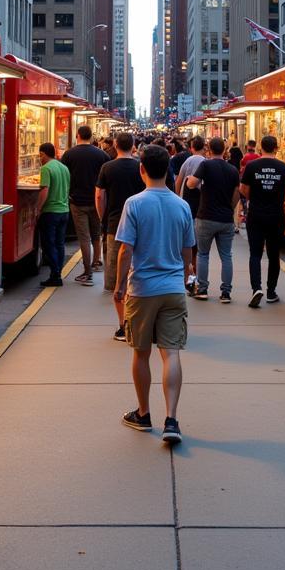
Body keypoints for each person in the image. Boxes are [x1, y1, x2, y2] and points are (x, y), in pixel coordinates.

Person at [113, 144, 197, 444]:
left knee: (141, 352)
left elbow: (126, 250)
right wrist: (184, 274)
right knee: (171, 353)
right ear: (169, 170)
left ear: (142, 169)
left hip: (143, 289)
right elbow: (188, 250)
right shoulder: (182, 206)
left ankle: (144, 413)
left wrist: (120, 285)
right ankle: (172, 419)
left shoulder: (134, 204)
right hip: (173, 288)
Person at [96, 132, 145, 340]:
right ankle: (140, 320)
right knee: (139, 271)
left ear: (115, 145)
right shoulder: (140, 168)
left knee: (118, 275)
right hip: (140, 225)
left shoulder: (107, 167)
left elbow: (99, 195)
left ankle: (123, 324)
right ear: (133, 146)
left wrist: (103, 217)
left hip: (115, 224)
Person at [186, 137, 241, 303]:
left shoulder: (205, 165)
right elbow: (237, 193)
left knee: (203, 255)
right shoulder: (232, 169)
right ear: (224, 150)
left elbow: (191, 184)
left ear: (209, 150)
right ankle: (226, 293)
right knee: (226, 256)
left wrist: (191, 180)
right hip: (225, 218)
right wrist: (229, 208)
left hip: (206, 217)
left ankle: (202, 289)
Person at [240, 134, 285, 307]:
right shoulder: (284, 167)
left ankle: (256, 289)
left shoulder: (252, 165)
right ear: (276, 148)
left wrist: (254, 198)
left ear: (261, 148)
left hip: (256, 214)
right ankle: (271, 291)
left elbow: (243, 189)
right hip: (276, 215)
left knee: (255, 253)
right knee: (274, 254)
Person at [61, 125, 110, 285]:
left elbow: (64, 176)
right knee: (96, 234)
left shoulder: (69, 154)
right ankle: (96, 262)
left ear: (78, 136)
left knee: (84, 237)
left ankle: (87, 272)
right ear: (91, 137)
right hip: (96, 200)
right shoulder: (102, 154)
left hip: (77, 201)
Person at [36, 142, 71, 288]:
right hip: (64, 211)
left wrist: (38, 209)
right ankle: (58, 272)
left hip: (51, 212)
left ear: (44, 154)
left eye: (40, 155)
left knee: (48, 244)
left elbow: (44, 190)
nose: (40, 158)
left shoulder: (46, 169)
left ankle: (55, 275)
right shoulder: (64, 168)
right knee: (59, 243)